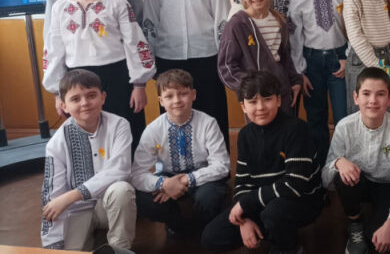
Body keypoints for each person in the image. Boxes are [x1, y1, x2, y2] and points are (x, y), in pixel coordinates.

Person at [42, 0, 155, 148]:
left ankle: (130, 170)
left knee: (127, 134)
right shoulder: (61, 8)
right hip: (77, 80)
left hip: (118, 79)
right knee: (88, 137)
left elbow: (135, 43)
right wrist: (58, 92)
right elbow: (53, 50)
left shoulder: (118, 3)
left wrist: (139, 85)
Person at [201, 70, 324, 254]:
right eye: (252, 102)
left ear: (278, 100)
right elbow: (242, 184)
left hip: (300, 201)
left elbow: (294, 185)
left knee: (273, 214)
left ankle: (289, 248)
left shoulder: (296, 129)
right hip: (263, 201)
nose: (260, 107)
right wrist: (244, 220)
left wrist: (246, 204)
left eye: (267, 99)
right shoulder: (245, 135)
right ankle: (271, 230)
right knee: (211, 237)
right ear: (243, 106)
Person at [142, 0, 232, 148]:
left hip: (207, 59)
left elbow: (222, 23)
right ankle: (177, 165)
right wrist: (150, 62)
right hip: (168, 60)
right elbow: (150, 22)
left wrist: (224, 62)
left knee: (212, 115)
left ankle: (217, 166)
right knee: (175, 118)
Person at [41, 69, 136, 251]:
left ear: (103, 97)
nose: (84, 103)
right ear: (64, 106)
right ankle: (94, 236)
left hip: (109, 204)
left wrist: (73, 195)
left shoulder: (119, 125)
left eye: (91, 95)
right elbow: (53, 198)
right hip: (76, 211)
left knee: (122, 189)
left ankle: (119, 249)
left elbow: (120, 170)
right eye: (75, 99)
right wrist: (52, 245)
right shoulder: (56, 143)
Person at [322, 67, 390, 254]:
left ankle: (377, 223)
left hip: (387, 187)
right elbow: (326, 180)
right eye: (366, 93)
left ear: (389, 99)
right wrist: (338, 162)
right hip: (357, 183)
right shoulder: (344, 127)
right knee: (342, 176)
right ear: (356, 97)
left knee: (379, 242)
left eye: (380, 94)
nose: (373, 100)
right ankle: (355, 222)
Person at [131, 69, 229, 237]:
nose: (177, 100)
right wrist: (163, 184)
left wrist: (185, 180)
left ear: (193, 95)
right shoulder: (153, 129)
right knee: (142, 200)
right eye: (169, 96)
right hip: (167, 176)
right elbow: (137, 173)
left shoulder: (208, 123)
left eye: (183, 94)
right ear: (161, 101)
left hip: (202, 177)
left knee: (209, 197)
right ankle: (175, 225)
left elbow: (222, 165)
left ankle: (205, 227)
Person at [288, 0, 348, 159]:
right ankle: (321, 167)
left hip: (339, 61)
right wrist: (300, 72)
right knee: (315, 117)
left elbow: (352, 27)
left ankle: (342, 165)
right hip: (311, 64)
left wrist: (347, 57)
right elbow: (295, 39)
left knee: (343, 116)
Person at [218, 0, 302, 114]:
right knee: (260, 128)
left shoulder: (279, 20)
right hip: (255, 97)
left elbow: (286, 58)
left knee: (286, 127)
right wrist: (247, 88)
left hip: (281, 91)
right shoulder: (237, 25)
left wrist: (295, 81)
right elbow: (226, 66)